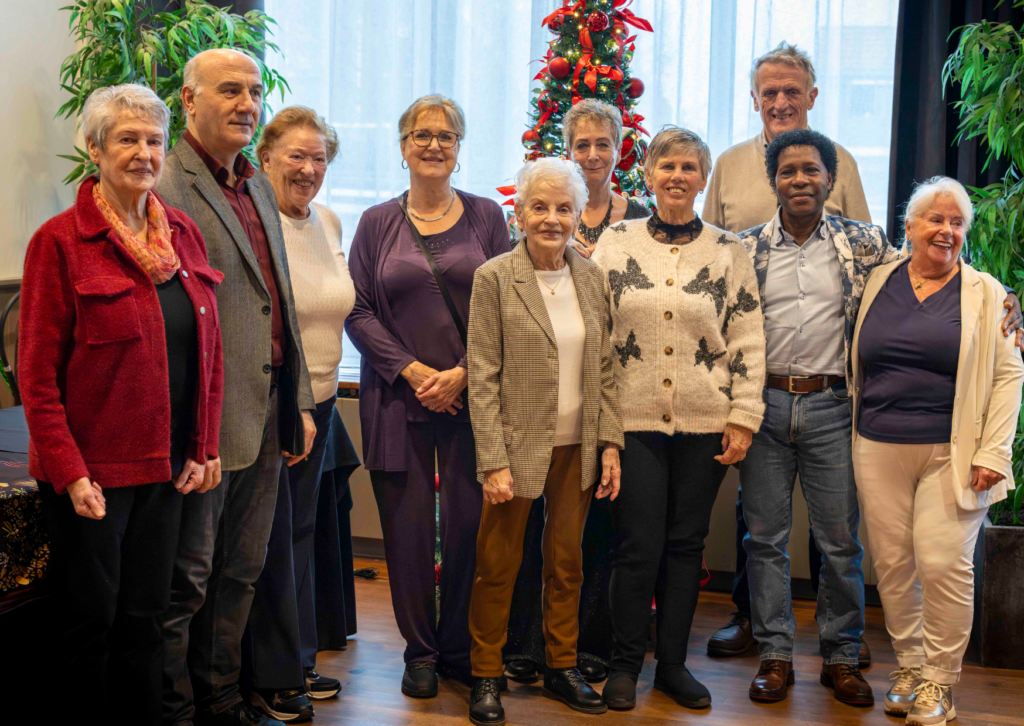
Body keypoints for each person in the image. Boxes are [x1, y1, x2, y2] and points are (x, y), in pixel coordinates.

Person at [19, 84, 224, 725]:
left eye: (154, 140)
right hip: (92, 478)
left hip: (165, 469)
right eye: (127, 139)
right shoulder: (59, 243)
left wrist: (203, 446)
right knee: (91, 622)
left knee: (146, 619)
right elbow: (37, 376)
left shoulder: (183, 234)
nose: (143, 153)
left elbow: (208, 354)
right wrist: (70, 471)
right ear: (95, 148)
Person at [158, 49, 318, 726]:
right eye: (229, 90)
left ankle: (221, 699)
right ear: (189, 101)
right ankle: (177, 709)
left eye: (254, 91)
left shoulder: (254, 181)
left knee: (240, 574)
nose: (246, 103)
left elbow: (278, 299)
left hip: (266, 409)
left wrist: (301, 401)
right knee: (186, 583)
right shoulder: (166, 184)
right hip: (203, 423)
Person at [704, 41, 873, 663]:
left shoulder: (843, 161)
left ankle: (839, 646)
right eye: (768, 92)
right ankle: (759, 629)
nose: (779, 101)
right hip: (760, 392)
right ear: (754, 99)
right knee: (761, 526)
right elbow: (706, 261)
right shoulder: (726, 164)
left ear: (812, 97)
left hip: (830, 392)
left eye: (790, 91)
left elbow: (873, 263)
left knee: (835, 532)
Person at [592, 127, 766, 711]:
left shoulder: (727, 250)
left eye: (690, 167)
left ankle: (671, 665)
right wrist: (602, 423)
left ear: (703, 177)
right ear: (648, 169)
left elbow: (747, 337)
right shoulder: (615, 243)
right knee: (636, 545)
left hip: (705, 422)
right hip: (631, 419)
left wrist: (743, 416)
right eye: (668, 165)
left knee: (685, 545)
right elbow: (596, 334)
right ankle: (623, 665)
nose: (678, 176)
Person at [345, 94, 511, 698]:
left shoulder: (488, 216)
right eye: (421, 134)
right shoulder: (374, 222)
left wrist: (465, 373)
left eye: (445, 136)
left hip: (475, 399)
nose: (433, 144)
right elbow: (357, 311)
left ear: (460, 149)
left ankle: (461, 648)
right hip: (397, 399)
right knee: (407, 529)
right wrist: (415, 373)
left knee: (471, 523)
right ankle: (419, 651)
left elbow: (507, 304)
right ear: (402, 146)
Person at [852, 176, 1024, 726]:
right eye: (936, 220)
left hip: (955, 452)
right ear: (909, 226)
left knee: (942, 562)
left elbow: (1008, 374)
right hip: (877, 442)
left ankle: (941, 682)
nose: (947, 231)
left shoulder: (989, 293)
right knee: (894, 564)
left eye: (957, 223)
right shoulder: (878, 279)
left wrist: (994, 453)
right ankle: (909, 667)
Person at [465, 157, 625, 726]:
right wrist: (493, 462)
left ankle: (562, 665)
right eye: (540, 207)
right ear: (521, 211)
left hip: (577, 447)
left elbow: (606, 369)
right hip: (516, 449)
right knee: (498, 564)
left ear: (579, 214)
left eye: (563, 208)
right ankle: (486, 672)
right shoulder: (494, 278)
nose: (552, 218)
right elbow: (481, 375)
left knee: (567, 563)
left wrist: (609, 445)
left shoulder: (591, 277)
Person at [503, 99, 649, 687]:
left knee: (588, 540)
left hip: (602, 394)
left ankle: (584, 646)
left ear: (619, 150)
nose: (592, 154)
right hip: (534, 402)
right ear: (568, 149)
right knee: (526, 538)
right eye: (581, 144)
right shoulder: (545, 210)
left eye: (602, 144)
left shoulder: (635, 217)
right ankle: (523, 645)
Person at [240, 107, 355, 721]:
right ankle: (271, 675)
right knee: (270, 544)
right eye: (296, 156)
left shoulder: (329, 221)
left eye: (320, 159)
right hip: (278, 404)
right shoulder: (254, 223)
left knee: (303, 535)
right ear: (264, 157)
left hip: (325, 398)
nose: (309, 169)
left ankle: (299, 660)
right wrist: (294, 407)